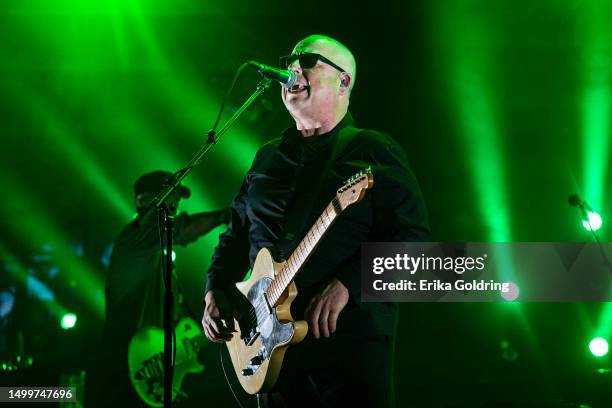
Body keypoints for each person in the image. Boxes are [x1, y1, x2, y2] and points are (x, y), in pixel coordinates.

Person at [202, 35, 429, 407]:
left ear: (344, 81)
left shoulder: (374, 150)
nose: (293, 68)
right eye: (289, 60)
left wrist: (349, 283)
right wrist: (215, 289)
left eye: (308, 60)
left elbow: (414, 241)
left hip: (345, 345)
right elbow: (235, 235)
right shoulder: (267, 157)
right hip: (268, 350)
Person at [88, 171, 229, 407]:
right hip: (127, 359)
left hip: (150, 358)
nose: (175, 204)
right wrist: (226, 214)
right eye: (168, 197)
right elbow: (187, 228)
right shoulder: (134, 235)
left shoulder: (158, 250)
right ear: (142, 200)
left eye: (177, 198)